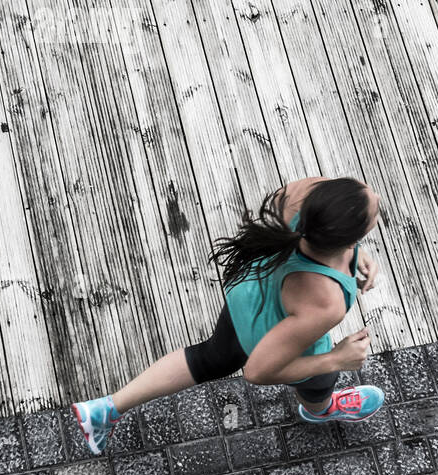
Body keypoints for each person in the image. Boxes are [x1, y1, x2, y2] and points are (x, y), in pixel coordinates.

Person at [71, 175, 386, 455]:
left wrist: (354, 253)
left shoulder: (305, 196)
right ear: (346, 237)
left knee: (210, 357)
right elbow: (258, 371)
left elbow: (305, 228)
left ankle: (105, 410)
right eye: (371, 211)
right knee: (320, 380)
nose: (373, 193)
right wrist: (336, 359)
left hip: (248, 299)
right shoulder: (326, 302)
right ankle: (321, 410)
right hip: (276, 333)